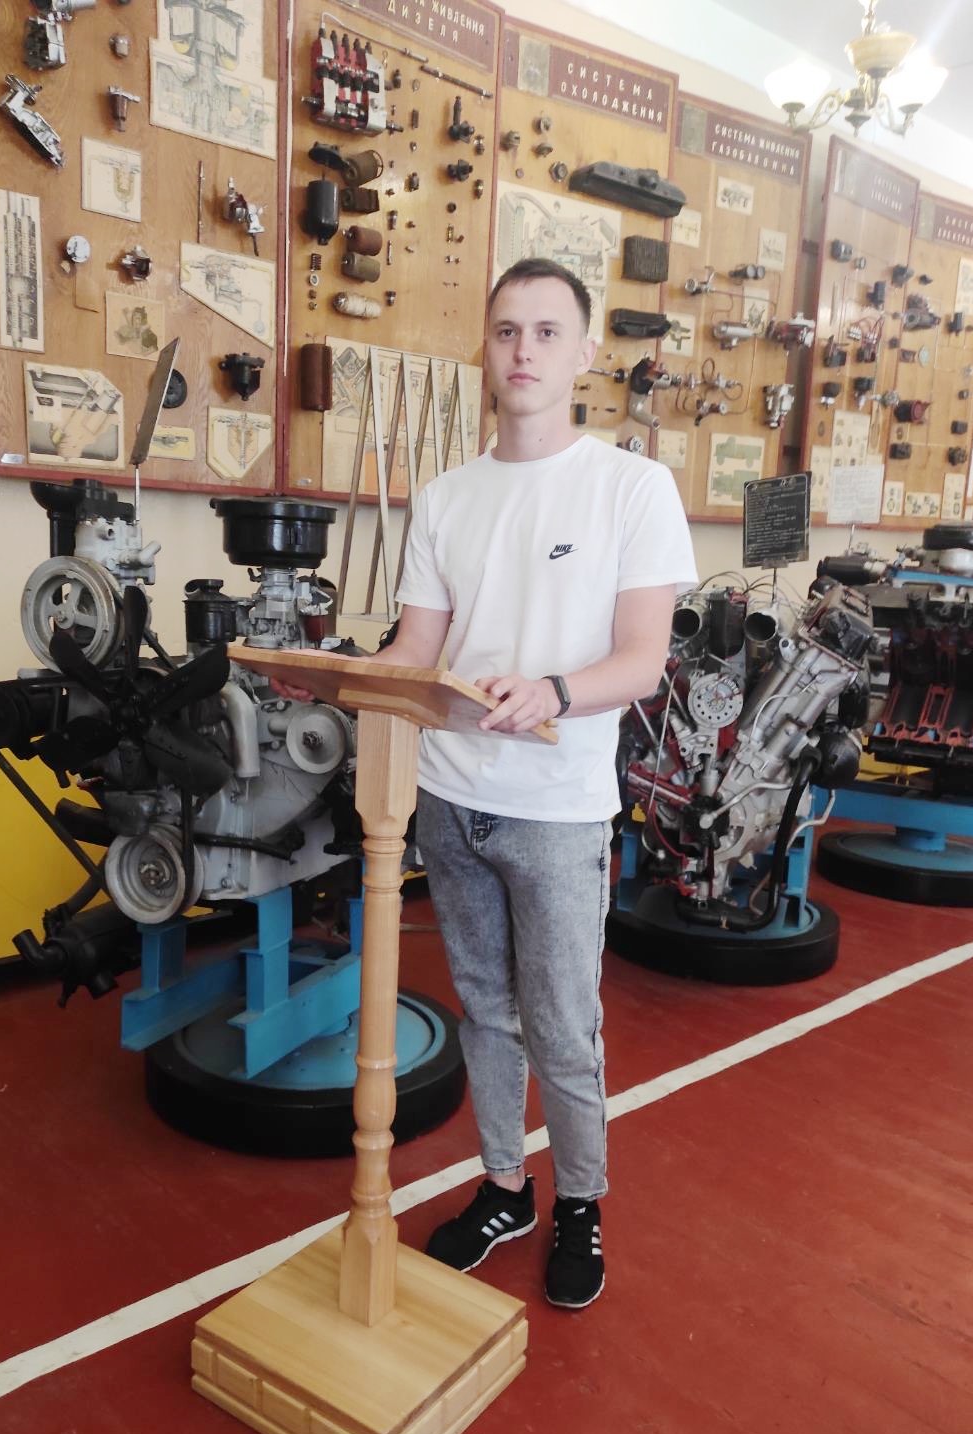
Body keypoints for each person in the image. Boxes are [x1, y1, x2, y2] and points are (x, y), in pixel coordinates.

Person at [280, 258, 697, 1308]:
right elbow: (417, 650)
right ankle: (506, 1186)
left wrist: (552, 689)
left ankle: (582, 1201)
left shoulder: (632, 488)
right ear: (486, 347)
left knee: (562, 1023)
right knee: (485, 1012)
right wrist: (329, 674)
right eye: (507, 330)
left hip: (557, 811)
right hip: (450, 795)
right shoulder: (446, 498)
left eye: (547, 332)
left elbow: (643, 660)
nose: (523, 350)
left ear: (585, 353)